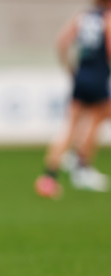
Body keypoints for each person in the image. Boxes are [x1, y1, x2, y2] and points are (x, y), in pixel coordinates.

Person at [35, 0, 111, 198]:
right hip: (99, 76)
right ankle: (82, 166)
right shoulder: (108, 18)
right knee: (98, 117)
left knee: (71, 125)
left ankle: (49, 177)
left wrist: (69, 68)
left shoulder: (83, 16)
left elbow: (62, 42)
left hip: (81, 75)